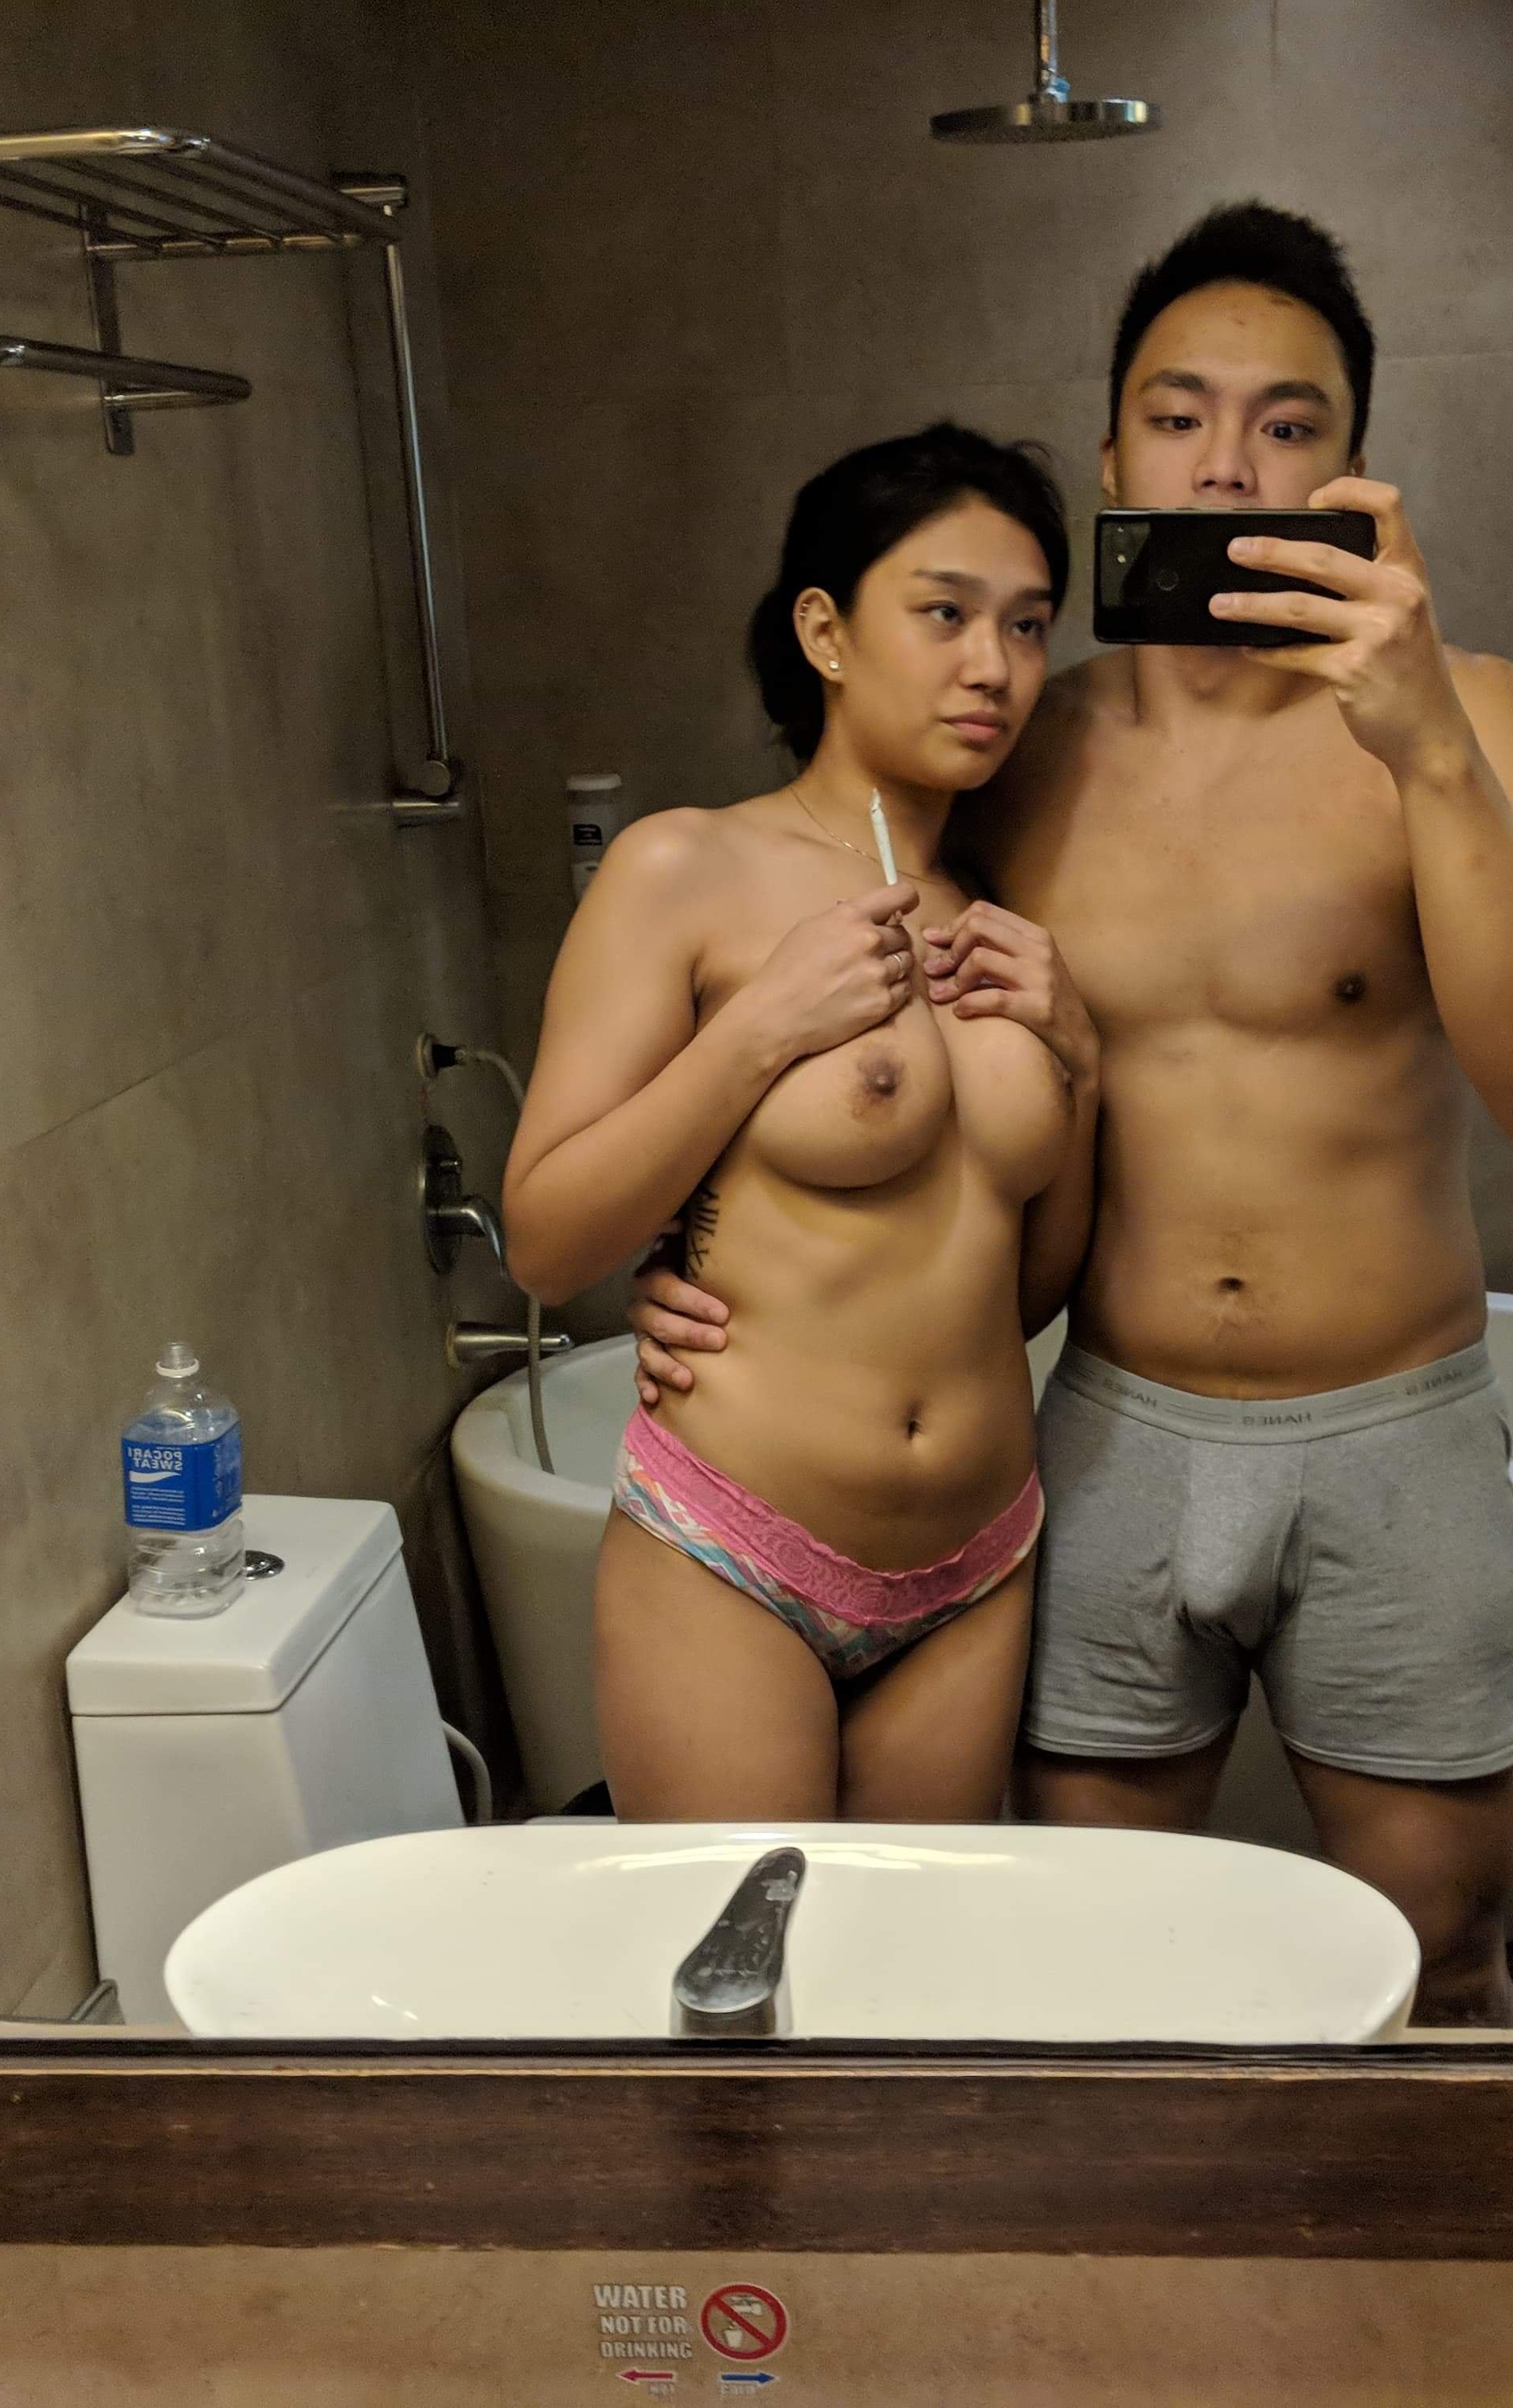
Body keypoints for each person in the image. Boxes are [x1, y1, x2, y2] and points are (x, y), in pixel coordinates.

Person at [631, 205, 1513, 2024]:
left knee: (1443, 1951)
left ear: (1355, 468)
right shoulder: (1030, 752)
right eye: (1179, 417)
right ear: (1113, 456)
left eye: (1288, 423)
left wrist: (1421, 743)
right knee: (1096, 1976)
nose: (1228, 465)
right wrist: (698, 1266)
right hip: (1112, 1428)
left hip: (1393, 1429)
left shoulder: (1472, 715)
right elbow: (810, 1004)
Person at [502, 424, 1102, 1825]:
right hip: (732, 1546)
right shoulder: (684, 867)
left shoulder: (1008, 910)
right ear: (826, 633)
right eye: (945, 613)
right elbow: (544, 1242)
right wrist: (761, 1028)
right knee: (750, 1958)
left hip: (976, 1562)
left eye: (1027, 626)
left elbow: (1026, 1286)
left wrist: (1080, 1062)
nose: (994, 667)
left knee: (919, 1964)